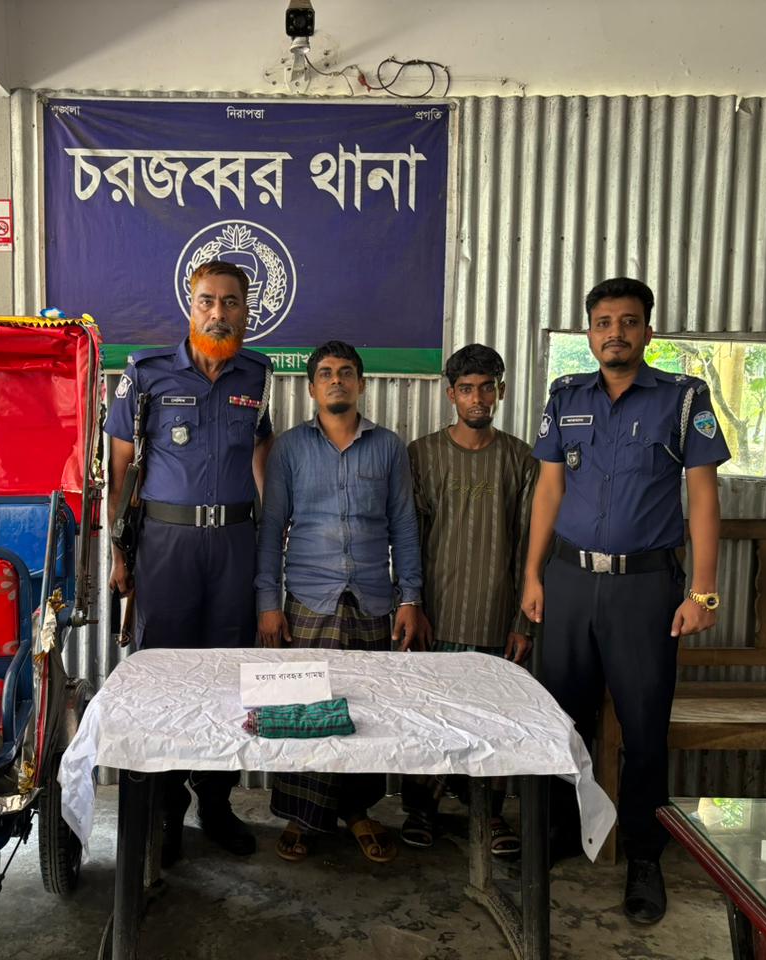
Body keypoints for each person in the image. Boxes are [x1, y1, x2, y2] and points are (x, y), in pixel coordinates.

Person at [521, 277, 728, 925]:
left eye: (629, 321)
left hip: (644, 590)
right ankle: (560, 831)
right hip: (569, 583)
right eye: (604, 322)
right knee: (563, 719)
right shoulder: (565, 396)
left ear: (647, 331)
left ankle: (644, 855)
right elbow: (549, 491)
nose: (616, 332)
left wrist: (703, 590)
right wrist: (532, 576)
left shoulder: (683, 398)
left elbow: (702, 496)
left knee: (644, 730)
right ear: (589, 333)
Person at [106, 259, 273, 866]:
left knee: (231, 675)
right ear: (190, 305)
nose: (218, 313)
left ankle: (217, 803)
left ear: (246, 312)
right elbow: (119, 469)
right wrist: (119, 552)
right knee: (166, 676)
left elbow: (260, 453)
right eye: (207, 301)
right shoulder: (145, 373)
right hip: (166, 546)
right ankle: (166, 811)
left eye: (230, 302)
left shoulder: (257, 374)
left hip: (234, 544)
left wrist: (270, 539)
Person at [255, 340, 429, 864]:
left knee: (363, 712)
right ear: (312, 388)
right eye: (326, 373)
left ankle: (357, 812)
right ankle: (301, 815)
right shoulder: (289, 449)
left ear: (361, 384)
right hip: (309, 599)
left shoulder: (388, 447)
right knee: (308, 709)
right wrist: (268, 602)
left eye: (346, 372)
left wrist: (410, 597)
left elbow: (404, 525)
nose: (337, 380)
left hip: (372, 599)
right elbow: (271, 528)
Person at [401, 344, 538, 855]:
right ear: (451, 394)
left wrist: (523, 622)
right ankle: (422, 808)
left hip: (497, 618)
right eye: (466, 389)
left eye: (485, 388)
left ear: (500, 391)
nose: (476, 398)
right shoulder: (422, 454)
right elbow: (409, 538)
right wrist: (412, 605)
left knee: (495, 719)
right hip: (435, 615)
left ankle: (490, 815)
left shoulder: (521, 458)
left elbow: (529, 546)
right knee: (429, 715)